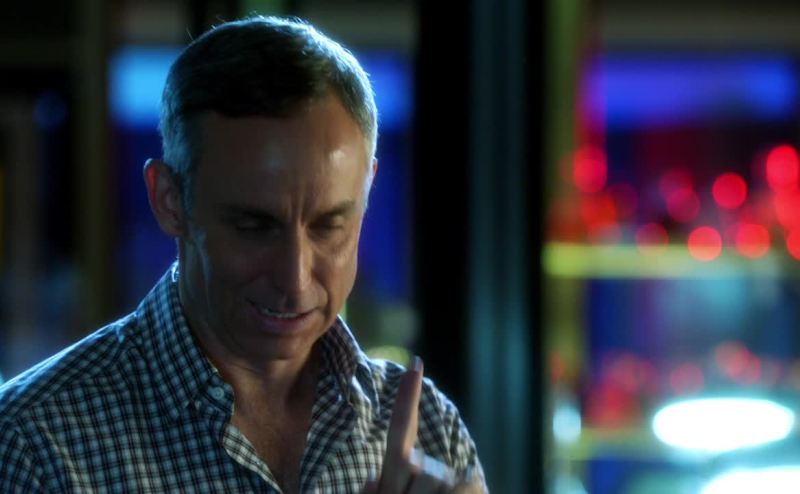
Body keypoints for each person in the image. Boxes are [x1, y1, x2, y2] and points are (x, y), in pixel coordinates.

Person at [0, 15, 486, 493]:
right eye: (254, 227)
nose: (295, 279)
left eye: (328, 225)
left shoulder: (430, 430)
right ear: (169, 201)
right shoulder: (36, 446)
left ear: (367, 191)